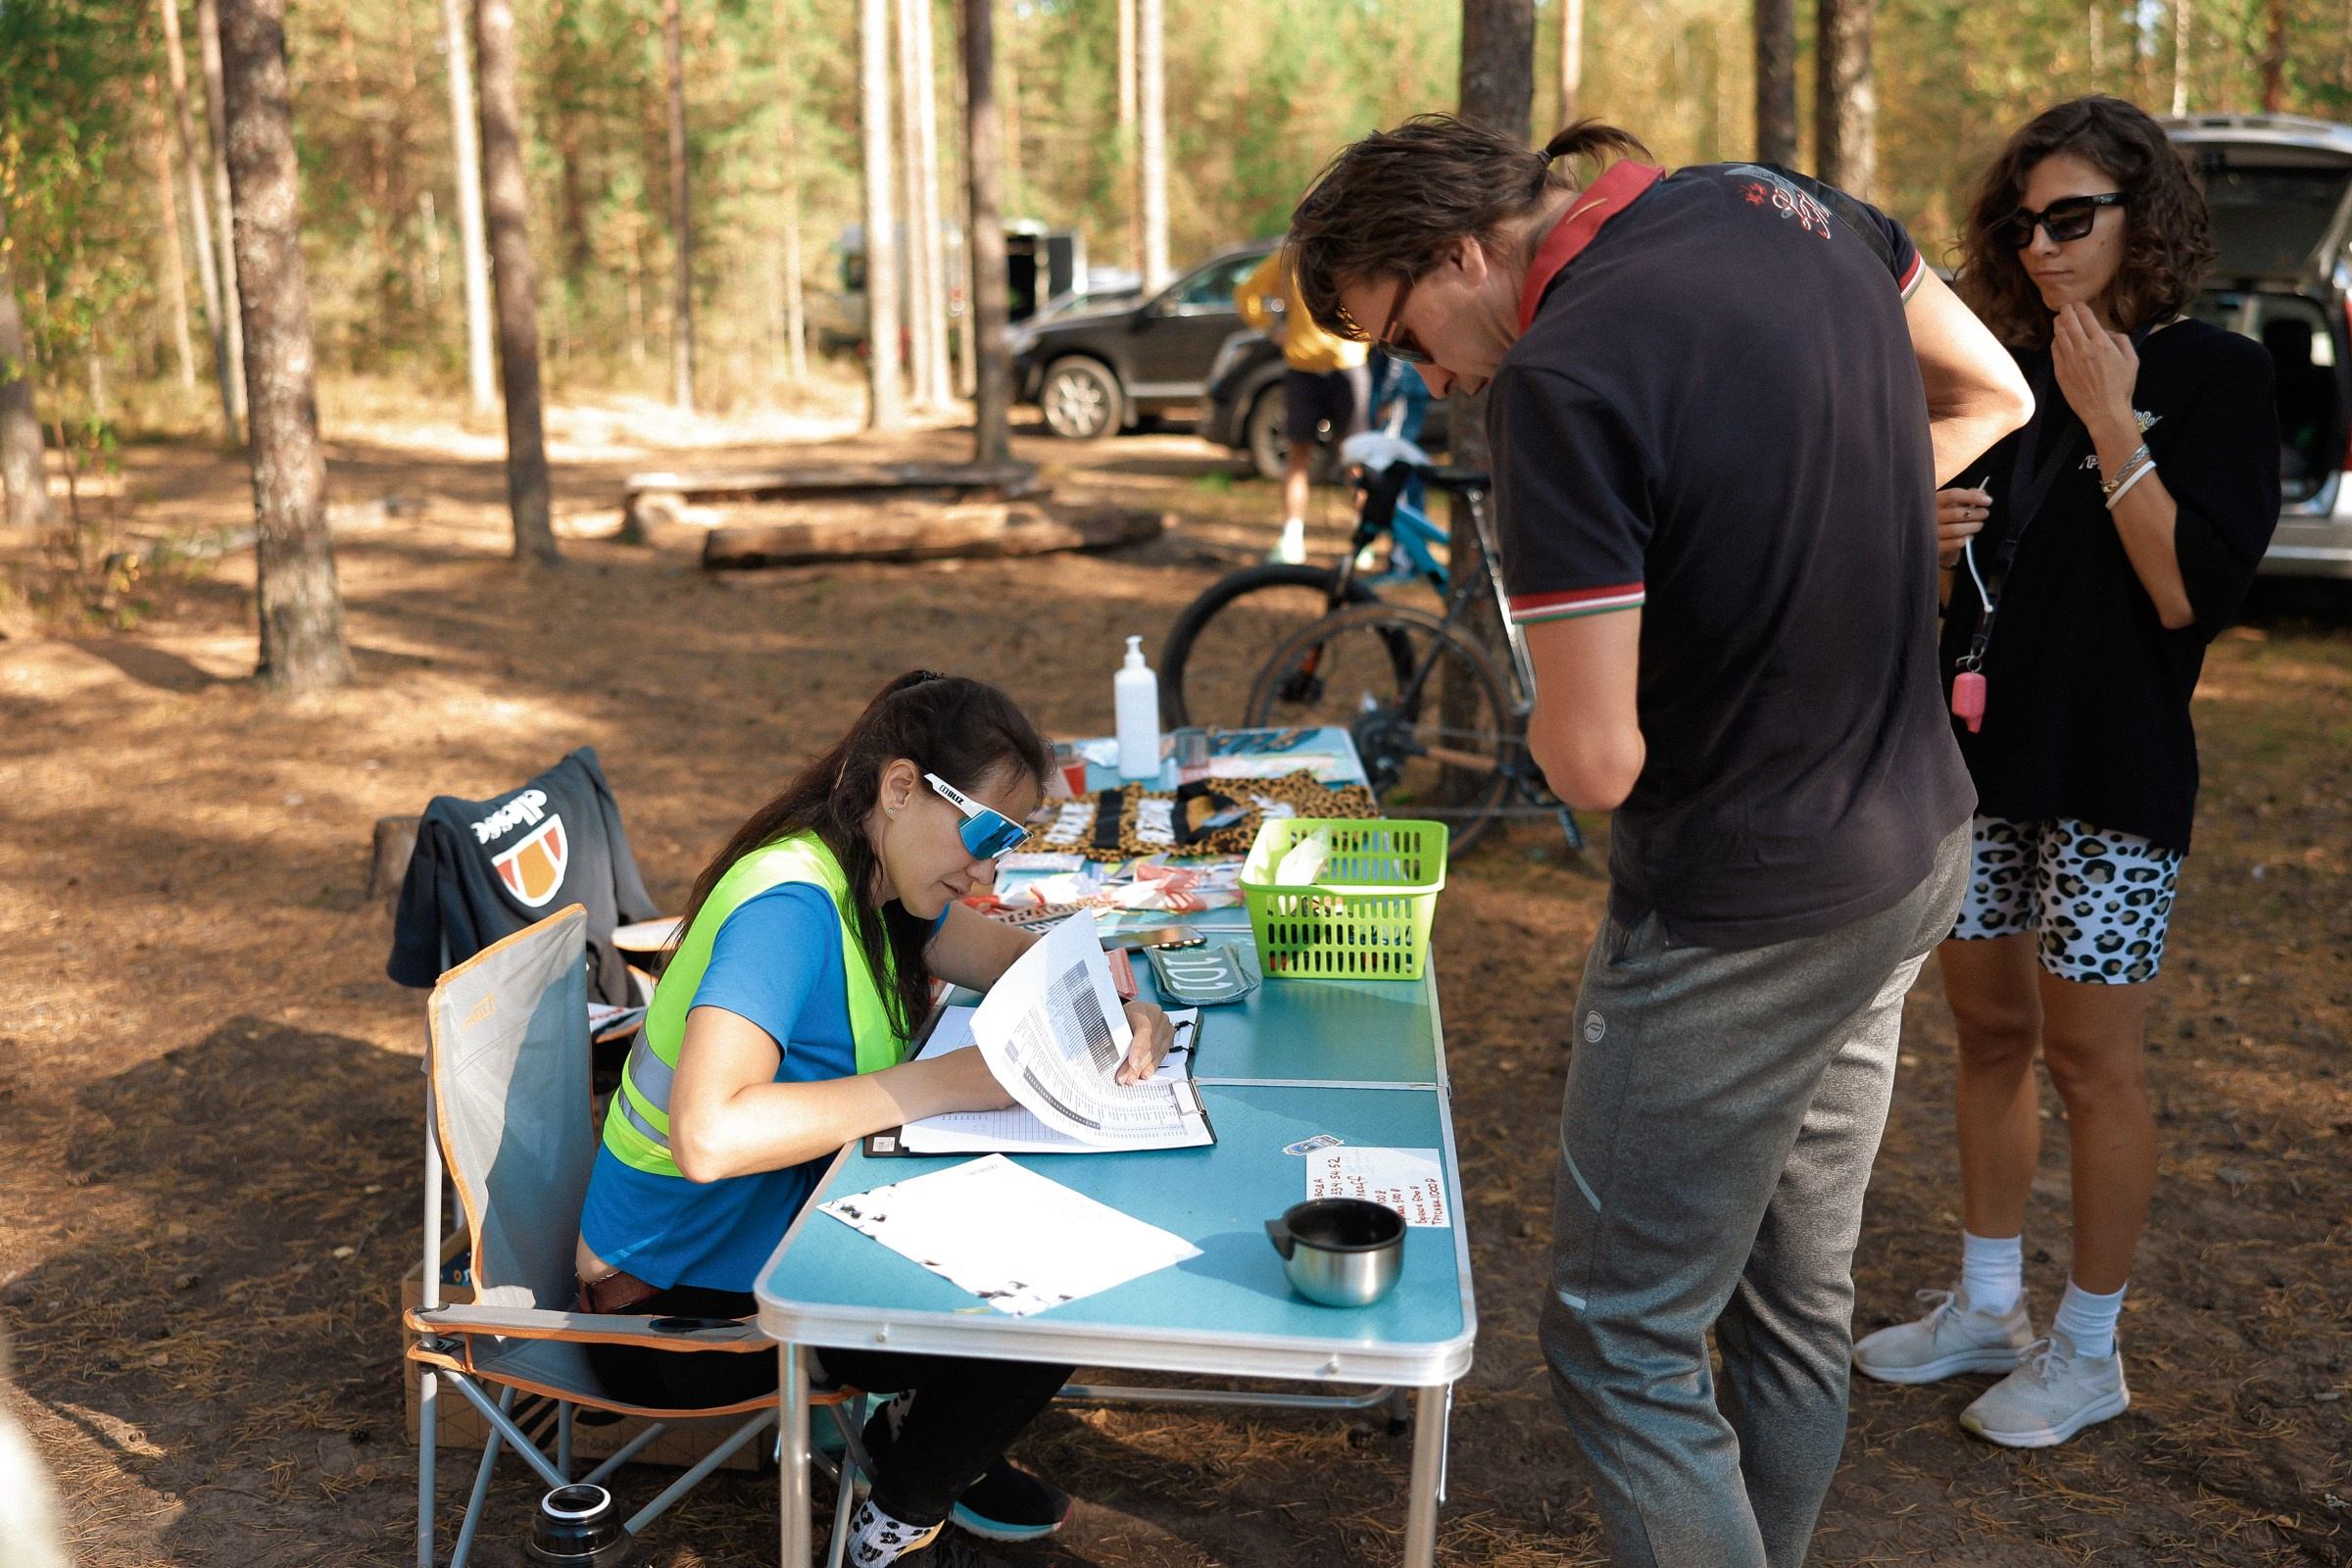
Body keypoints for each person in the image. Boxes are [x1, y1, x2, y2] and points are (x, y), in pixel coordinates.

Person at [1286, 117, 2033, 1567]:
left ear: (1459, 249)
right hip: (1912, 840)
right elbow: (1991, 387)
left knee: (1618, 1341)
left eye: (1410, 335)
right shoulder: (1782, 205)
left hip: (1743, 901)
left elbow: (1598, 762)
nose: (1429, 380)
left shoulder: (1560, 381)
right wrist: (1826, 541)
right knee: (1795, 1304)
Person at [1852, 96, 2279, 1447]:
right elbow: (1966, 603)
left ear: (2140, 215)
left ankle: (2089, 1351)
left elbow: (2182, 595)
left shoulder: (2215, 374)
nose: (2041, 246)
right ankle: (1989, 1308)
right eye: (2023, 223)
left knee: (2093, 1064)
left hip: (2115, 776)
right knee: (1986, 1035)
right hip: (1981, 766)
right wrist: (1925, 545)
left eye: (2072, 218)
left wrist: (2113, 421)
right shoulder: (2003, 378)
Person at [574, 671, 1174, 1568]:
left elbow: (1016, 960)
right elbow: (709, 1136)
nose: (987, 870)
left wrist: (1115, 1000)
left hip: (764, 1245)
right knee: (1061, 1285)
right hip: (680, 1316)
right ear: (900, 789)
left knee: (1056, 1235)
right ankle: (897, 1520)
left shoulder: (883, 881)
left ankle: (923, 1444)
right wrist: (950, 1082)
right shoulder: (789, 905)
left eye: (1007, 845)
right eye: (983, 834)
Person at [1235, 247, 1372, 564]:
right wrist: (1272, 329)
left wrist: (1370, 335)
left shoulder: (1350, 251)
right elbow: (1246, 293)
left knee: (1355, 456)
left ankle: (1363, 538)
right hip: (1303, 369)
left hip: (1347, 366)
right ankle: (1292, 537)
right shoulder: (1290, 258)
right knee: (1297, 454)